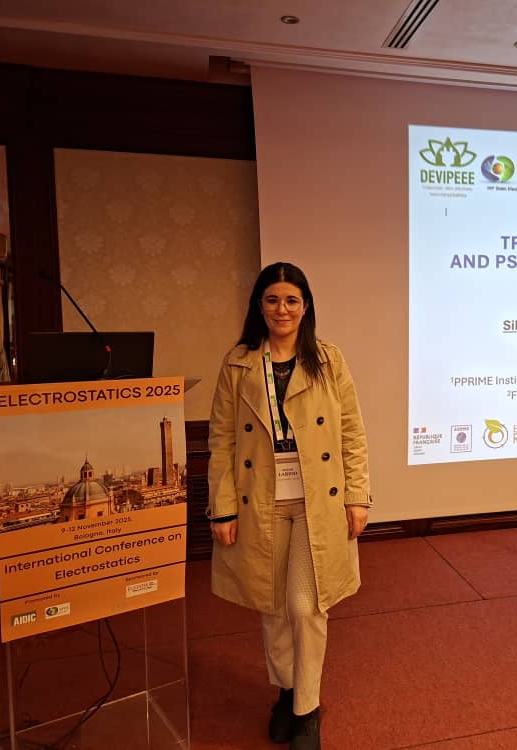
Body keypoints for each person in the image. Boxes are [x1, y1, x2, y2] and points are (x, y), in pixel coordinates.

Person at [207, 261, 372, 750]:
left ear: (306, 306)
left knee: (305, 607)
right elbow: (221, 439)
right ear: (259, 306)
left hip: (316, 500)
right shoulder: (238, 363)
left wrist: (358, 496)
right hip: (258, 500)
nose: (283, 309)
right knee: (272, 607)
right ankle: (287, 691)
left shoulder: (327, 359)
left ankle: (307, 710)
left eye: (292, 300)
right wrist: (222, 507)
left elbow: (351, 433)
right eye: (273, 299)